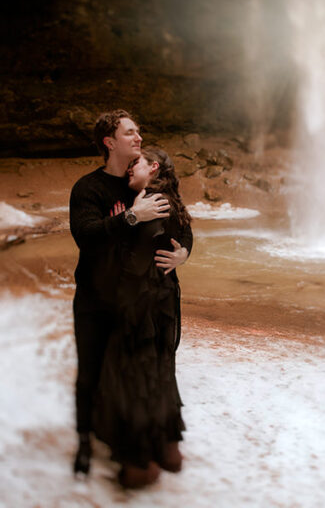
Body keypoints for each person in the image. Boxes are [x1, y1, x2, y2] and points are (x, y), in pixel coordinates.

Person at [69, 110, 182, 476]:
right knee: (91, 373)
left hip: (135, 303)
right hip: (96, 300)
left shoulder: (142, 180)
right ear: (109, 141)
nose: (138, 137)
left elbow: (177, 221)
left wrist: (183, 253)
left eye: (138, 131)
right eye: (130, 133)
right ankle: (85, 442)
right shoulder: (89, 188)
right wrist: (133, 216)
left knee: (134, 374)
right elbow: (86, 236)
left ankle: (137, 443)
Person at [90, 146, 192, 488]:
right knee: (159, 372)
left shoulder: (149, 203)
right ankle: (168, 451)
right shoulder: (170, 199)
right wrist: (184, 253)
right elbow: (183, 236)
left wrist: (129, 219)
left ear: (154, 166)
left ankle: (139, 464)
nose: (129, 169)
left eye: (136, 164)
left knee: (134, 377)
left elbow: (133, 265)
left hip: (140, 306)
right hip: (162, 304)